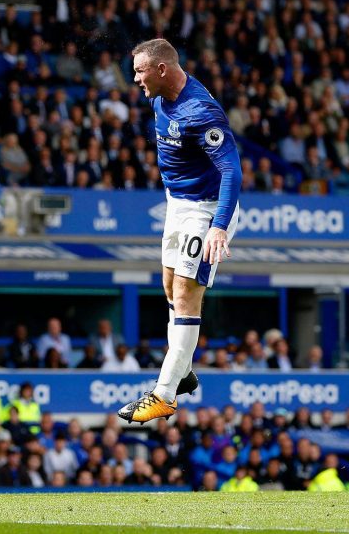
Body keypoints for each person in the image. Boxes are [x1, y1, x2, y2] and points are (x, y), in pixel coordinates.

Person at [119, 39, 241, 423]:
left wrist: (218, 227)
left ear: (161, 70)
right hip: (178, 204)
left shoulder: (200, 111)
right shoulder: (159, 97)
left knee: (187, 294)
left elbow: (232, 170)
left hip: (205, 209)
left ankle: (164, 392)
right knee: (170, 287)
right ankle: (183, 369)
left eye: (140, 71)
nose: (135, 79)